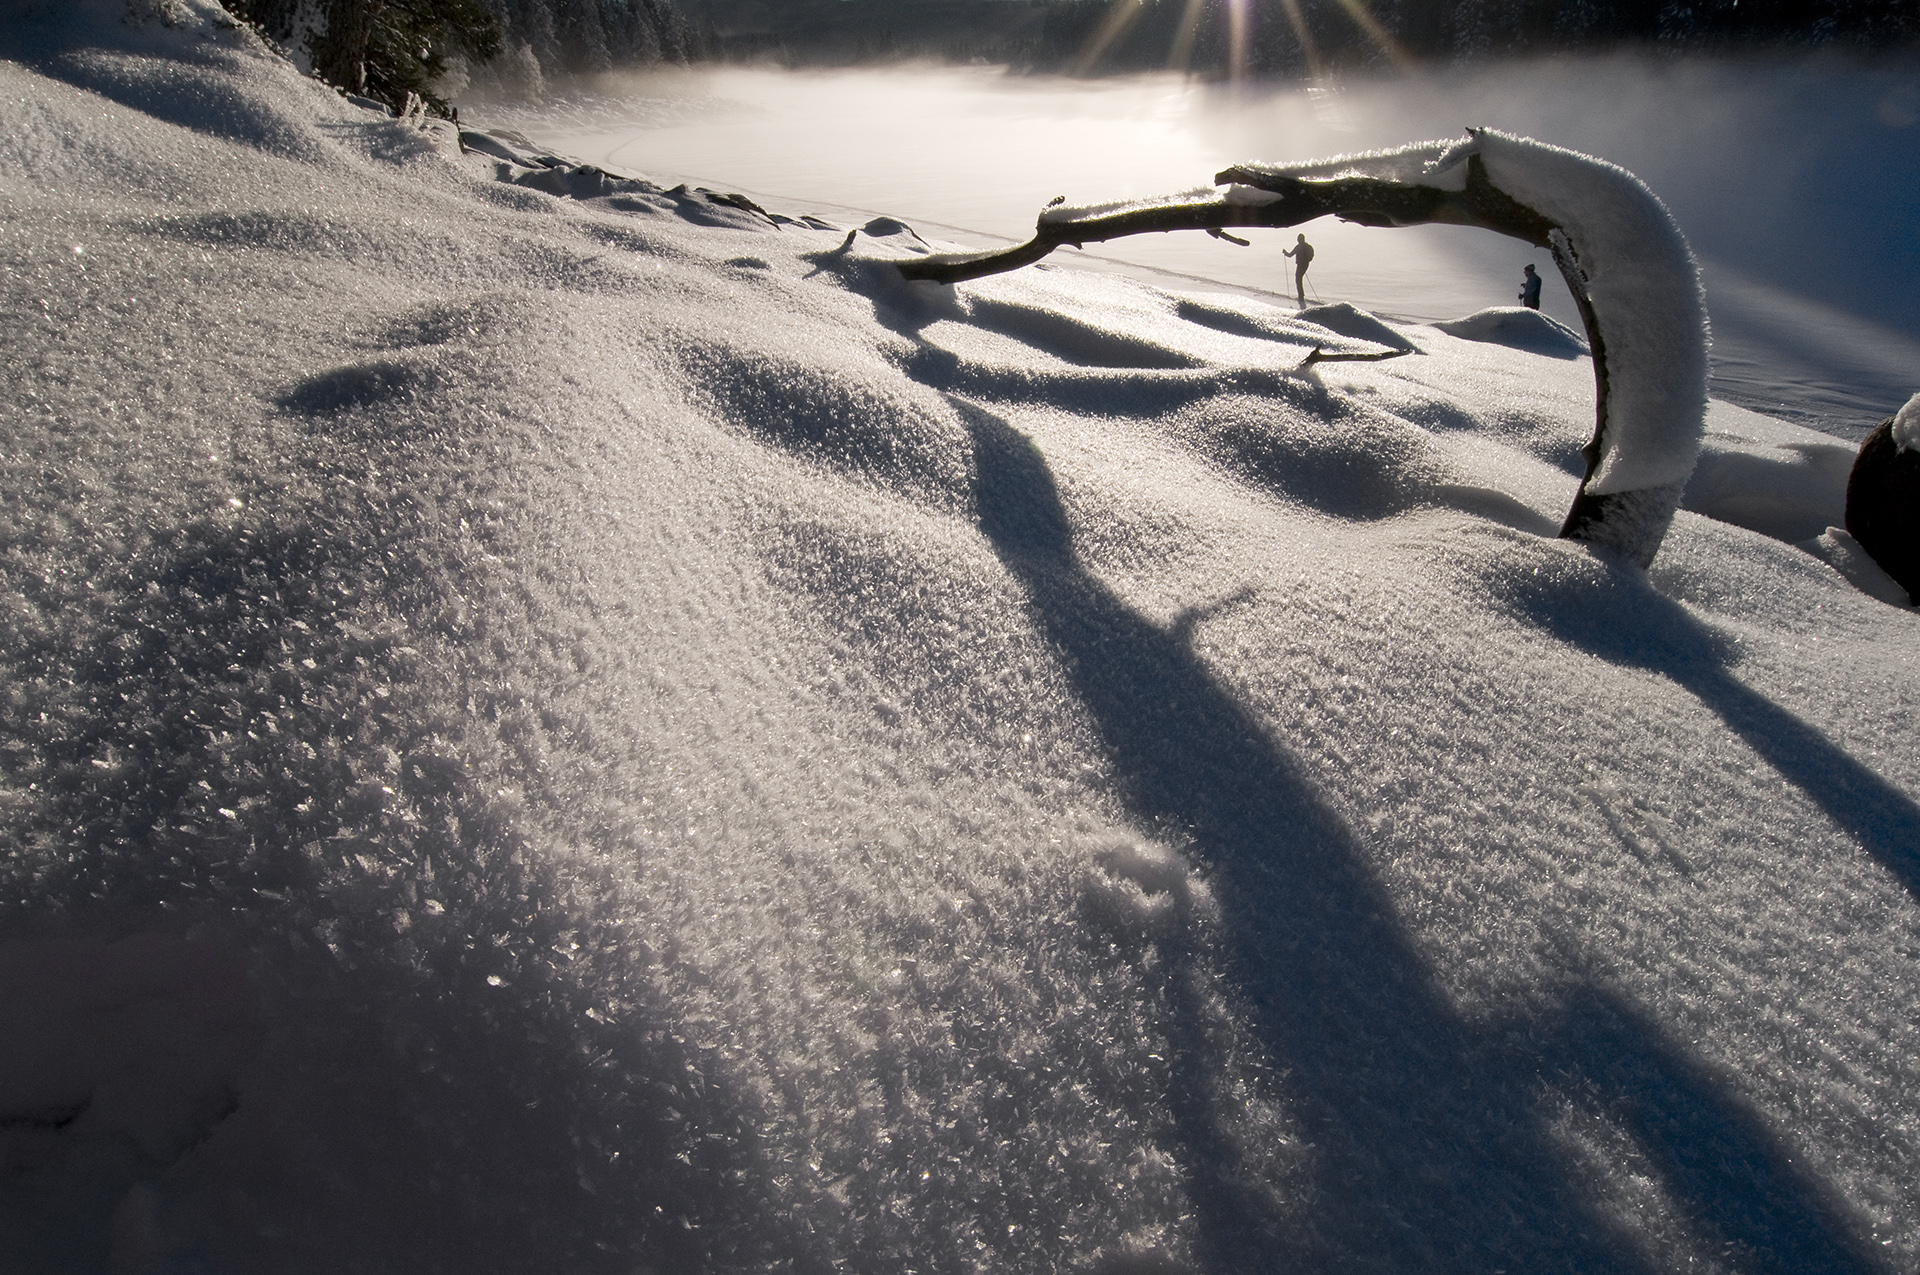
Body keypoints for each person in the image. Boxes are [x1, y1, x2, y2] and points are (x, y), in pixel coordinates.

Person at [1283, 233, 1314, 303]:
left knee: (1298, 279)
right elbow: (1312, 255)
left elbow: (1290, 255)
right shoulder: (1308, 246)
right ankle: (1301, 295)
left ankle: (1301, 296)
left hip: (1300, 265)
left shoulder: (1299, 247)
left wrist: (1285, 252)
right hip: (1306, 264)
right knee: (1299, 278)